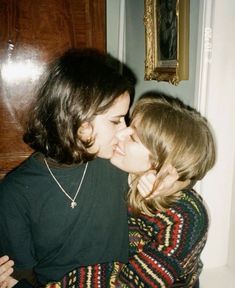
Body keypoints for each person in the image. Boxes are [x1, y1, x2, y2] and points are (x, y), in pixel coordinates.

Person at [0, 51, 185, 287]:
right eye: (116, 120)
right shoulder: (14, 193)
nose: (125, 131)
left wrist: (168, 181)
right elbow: (18, 278)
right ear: (81, 124)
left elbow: (180, 172)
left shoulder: (116, 162)